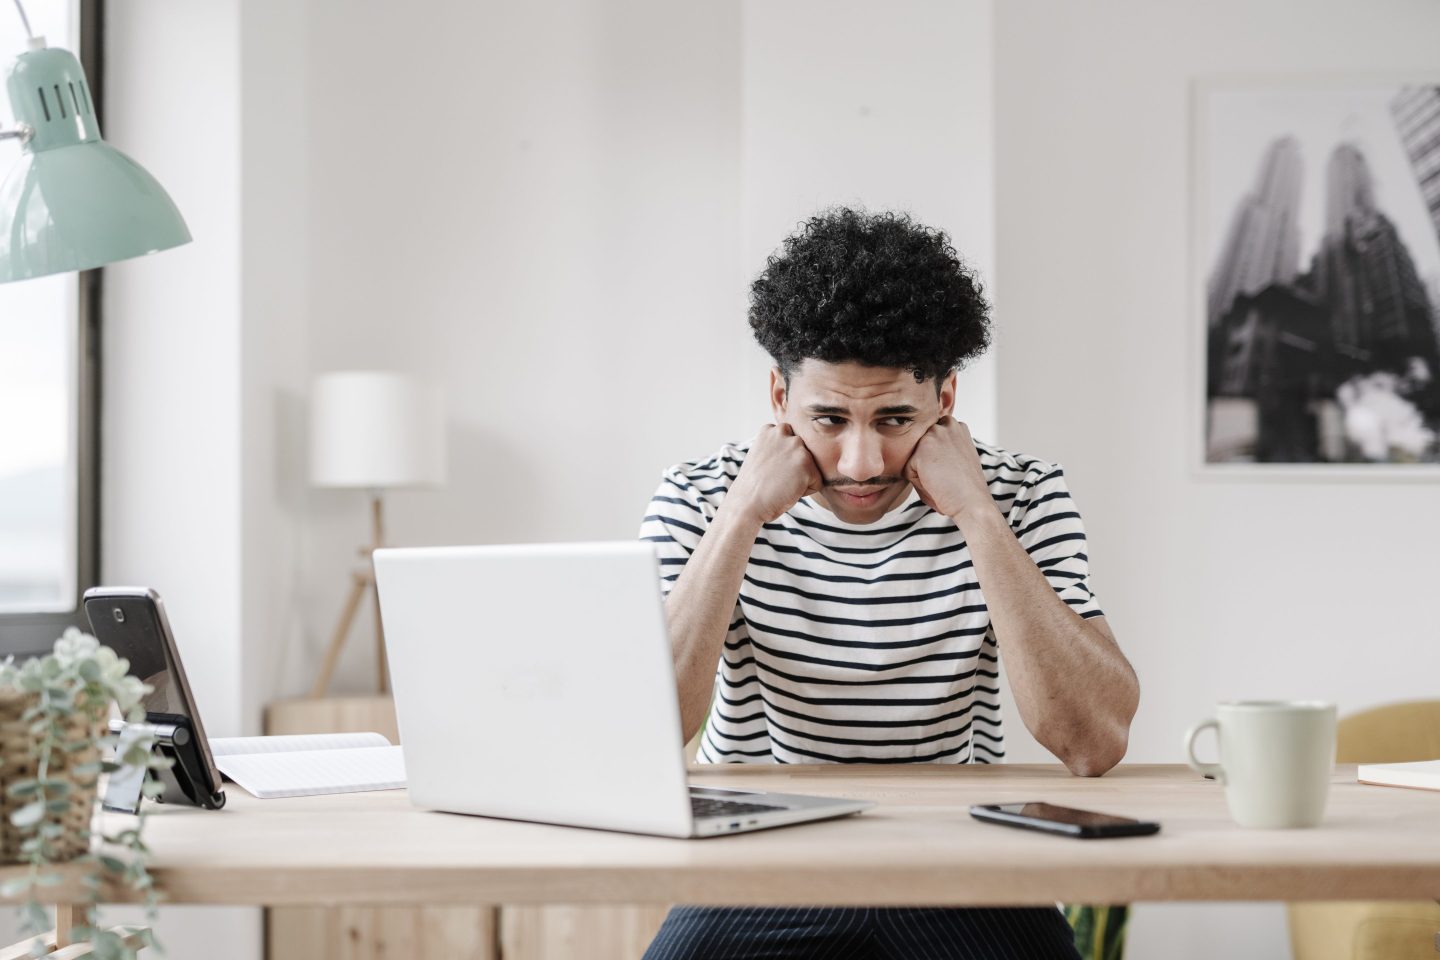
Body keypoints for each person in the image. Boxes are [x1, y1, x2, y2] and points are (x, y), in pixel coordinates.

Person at [638, 208, 1140, 959]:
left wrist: (977, 513)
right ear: (778, 397)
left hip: (961, 864)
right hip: (755, 871)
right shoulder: (700, 497)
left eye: (896, 418)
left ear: (947, 400)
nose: (861, 462)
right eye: (829, 418)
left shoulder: (1023, 494)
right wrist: (741, 516)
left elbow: (1093, 742)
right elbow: (642, 734)